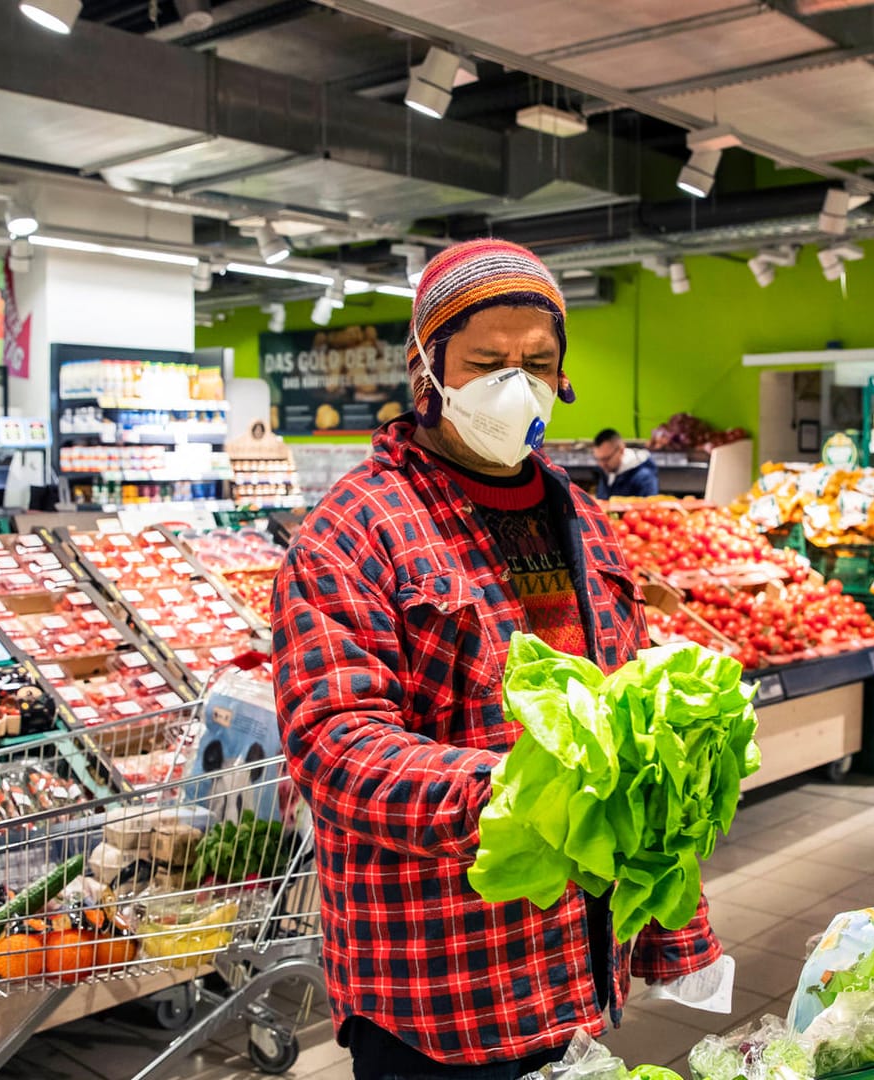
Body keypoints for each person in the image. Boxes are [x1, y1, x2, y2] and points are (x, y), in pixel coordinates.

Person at [271, 239, 721, 1080]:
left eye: (537, 362)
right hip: (441, 986)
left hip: (575, 967)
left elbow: (625, 732)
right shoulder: (352, 532)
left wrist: (672, 919)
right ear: (427, 368)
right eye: (486, 362)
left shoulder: (585, 519)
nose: (517, 384)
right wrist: (530, 796)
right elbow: (335, 746)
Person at [593, 429, 659, 499]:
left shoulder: (644, 477)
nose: (602, 464)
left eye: (606, 459)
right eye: (598, 459)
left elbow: (649, 506)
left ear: (621, 450)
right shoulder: (608, 470)